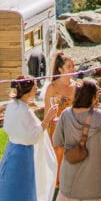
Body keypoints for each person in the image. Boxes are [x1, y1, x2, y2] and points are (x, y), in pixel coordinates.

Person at [44, 52, 77, 187]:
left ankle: (72, 181)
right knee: (58, 154)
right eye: (69, 66)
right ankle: (57, 183)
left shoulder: (76, 86)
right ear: (60, 69)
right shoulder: (52, 87)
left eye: (73, 66)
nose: (72, 69)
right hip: (56, 127)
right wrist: (45, 132)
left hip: (73, 126)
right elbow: (47, 110)